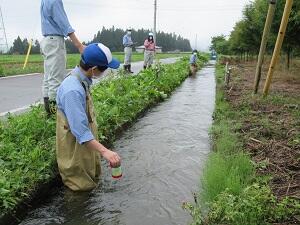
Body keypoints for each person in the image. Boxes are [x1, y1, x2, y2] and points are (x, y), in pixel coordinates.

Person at [56, 43, 121, 191]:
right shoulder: (72, 90)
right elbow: (81, 132)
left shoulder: (82, 80)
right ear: (93, 69)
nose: (105, 72)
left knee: (91, 181)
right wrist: (105, 151)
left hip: (85, 146)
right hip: (75, 146)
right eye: (105, 68)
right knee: (79, 188)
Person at [40, 0, 85, 116]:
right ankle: (56, 116)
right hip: (55, 40)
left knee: (48, 77)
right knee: (56, 79)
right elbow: (64, 23)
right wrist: (78, 45)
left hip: (46, 40)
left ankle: (49, 113)